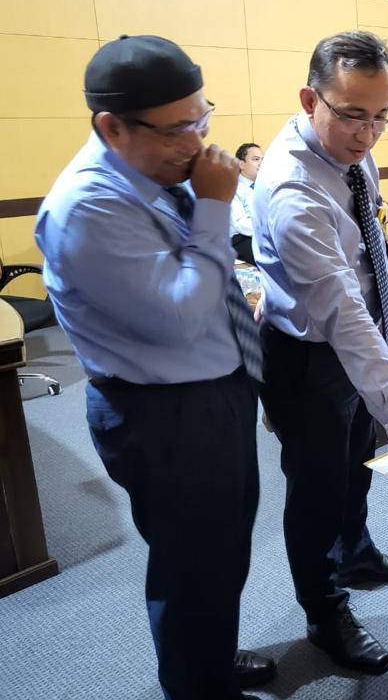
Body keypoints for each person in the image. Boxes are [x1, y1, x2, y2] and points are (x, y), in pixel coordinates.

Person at [34, 35, 273, 700]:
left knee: (223, 551)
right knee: (190, 566)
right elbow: (181, 316)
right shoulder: (88, 207)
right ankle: (198, 687)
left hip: (216, 393)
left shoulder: (162, 176)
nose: (195, 144)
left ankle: (210, 660)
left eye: (202, 119)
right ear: (112, 127)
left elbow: (199, 279)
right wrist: (217, 204)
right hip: (163, 416)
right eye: (175, 130)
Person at [252, 30, 388, 676]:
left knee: (356, 461)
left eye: (379, 116)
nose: (367, 135)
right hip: (307, 357)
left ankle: (357, 552)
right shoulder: (293, 192)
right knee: (316, 488)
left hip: (353, 341)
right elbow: (341, 313)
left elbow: (364, 257)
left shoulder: (348, 153)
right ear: (309, 99)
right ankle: (324, 611)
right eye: (350, 115)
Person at [230, 142, 262, 264]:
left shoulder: (265, 187)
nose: (261, 163)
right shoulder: (232, 187)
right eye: (256, 159)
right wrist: (267, 230)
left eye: (263, 159)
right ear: (241, 164)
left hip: (263, 236)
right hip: (241, 239)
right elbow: (240, 224)